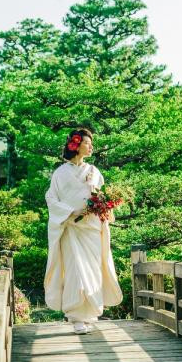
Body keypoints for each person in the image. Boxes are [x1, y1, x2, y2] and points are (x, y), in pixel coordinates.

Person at [43, 128, 123, 334]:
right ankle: (76, 315)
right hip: (70, 228)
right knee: (75, 271)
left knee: (93, 270)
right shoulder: (60, 173)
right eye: (87, 143)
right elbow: (51, 199)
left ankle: (90, 314)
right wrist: (70, 211)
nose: (91, 146)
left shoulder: (94, 172)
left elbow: (101, 198)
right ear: (76, 145)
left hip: (91, 229)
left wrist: (95, 192)